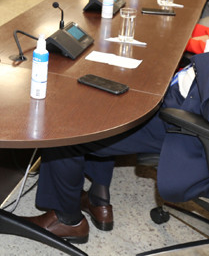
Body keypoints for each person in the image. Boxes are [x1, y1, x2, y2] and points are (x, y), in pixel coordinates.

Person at [22, 51, 209, 244]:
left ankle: (66, 219)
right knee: (108, 100)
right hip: (182, 98)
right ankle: (98, 199)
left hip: (181, 123)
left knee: (66, 129)